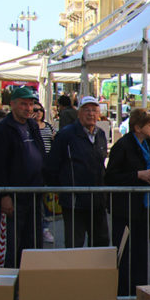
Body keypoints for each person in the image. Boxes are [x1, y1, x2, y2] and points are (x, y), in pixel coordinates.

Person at [105, 108, 150, 296]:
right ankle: (123, 290)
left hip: (141, 205)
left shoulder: (146, 144)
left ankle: (138, 289)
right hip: (125, 206)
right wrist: (138, 175)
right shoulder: (123, 146)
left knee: (139, 249)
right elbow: (111, 176)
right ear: (138, 127)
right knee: (125, 249)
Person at [0, 86, 46, 268]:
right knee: (11, 245)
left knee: (33, 242)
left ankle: (29, 284)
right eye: (24, 104)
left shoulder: (31, 125)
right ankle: (8, 286)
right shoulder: (4, 129)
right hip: (14, 196)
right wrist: (4, 195)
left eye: (31, 104)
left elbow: (40, 152)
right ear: (13, 105)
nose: (28, 108)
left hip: (34, 192)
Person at [45, 96, 109, 248]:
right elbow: (52, 166)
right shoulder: (66, 135)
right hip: (75, 202)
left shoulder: (100, 134)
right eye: (86, 110)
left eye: (94, 110)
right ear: (79, 113)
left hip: (97, 201)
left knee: (100, 243)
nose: (91, 114)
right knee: (75, 245)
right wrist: (64, 189)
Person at [31, 102, 58, 243]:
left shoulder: (47, 126)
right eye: (35, 110)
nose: (38, 112)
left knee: (46, 199)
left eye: (40, 110)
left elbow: (55, 141)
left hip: (48, 164)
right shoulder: (29, 127)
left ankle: (45, 227)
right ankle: (38, 227)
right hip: (35, 165)